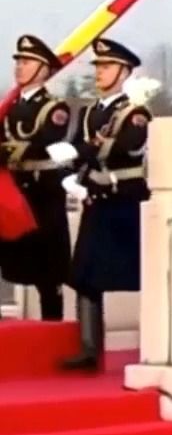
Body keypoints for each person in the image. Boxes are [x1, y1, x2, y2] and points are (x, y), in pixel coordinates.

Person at [52, 38, 153, 371]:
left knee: (143, 276)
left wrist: (80, 155)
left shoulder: (135, 113)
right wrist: (73, 175)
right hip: (97, 200)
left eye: (107, 67)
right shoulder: (90, 112)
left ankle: (155, 344)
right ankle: (89, 348)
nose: (99, 73)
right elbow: (81, 148)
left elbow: (124, 148)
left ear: (124, 72)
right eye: (97, 67)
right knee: (85, 275)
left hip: (125, 201)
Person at [1, 34, 72, 320]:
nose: (19, 67)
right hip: (14, 193)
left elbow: (38, 143)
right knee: (13, 260)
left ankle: (52, 328)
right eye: (18, 61)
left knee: (48, 272)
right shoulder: (10, 107)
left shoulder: (54, 109)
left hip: (43, 196)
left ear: (44, 70)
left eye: (27, 61)